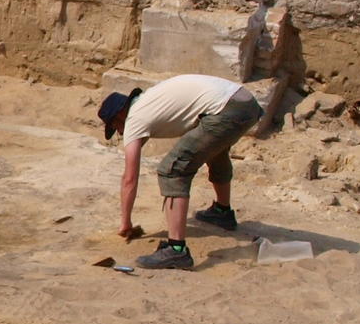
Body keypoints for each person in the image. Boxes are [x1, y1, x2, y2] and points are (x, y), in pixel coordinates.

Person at [99, 74, 262, 271]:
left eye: (116, 127)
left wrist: (125, 223)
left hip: (226, 109)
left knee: (171, 170)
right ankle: (222, 212)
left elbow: (129, 178)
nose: (120, 133)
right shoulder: (151, 101)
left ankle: (176, 250)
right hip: (244, 102)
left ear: (119, 116)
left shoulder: (134, 118)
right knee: (215, 152)